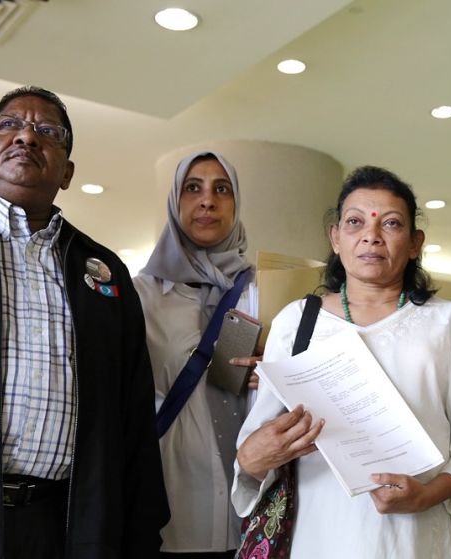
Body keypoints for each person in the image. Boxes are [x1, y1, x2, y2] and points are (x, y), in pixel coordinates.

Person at [0, 86, 169, 558]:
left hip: (66, 528)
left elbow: (132, 414)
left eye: (48, 132)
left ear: (68, 172)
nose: (27, 138)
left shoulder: (104, 272)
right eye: (8, 124)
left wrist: (139, 535)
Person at [233, 165, 451, 559]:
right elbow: (258, 444)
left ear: (415, 243)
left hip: (411, 539)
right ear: (336, 238)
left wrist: (426, 494)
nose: (370, 236)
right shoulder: (298, 321)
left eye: (390, 224)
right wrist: (253, 456)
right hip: (315, 534)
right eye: (355, 222)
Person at [134, 151, 259, 559]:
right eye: (193, 188)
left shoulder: (264, 294)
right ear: (175, 202)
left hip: (254, 511)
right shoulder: (141, 297)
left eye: (221, 189)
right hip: (175, 509)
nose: (207, 200)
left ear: (236, 203)